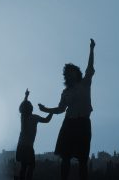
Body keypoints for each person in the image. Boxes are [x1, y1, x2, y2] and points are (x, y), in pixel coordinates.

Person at [38, 39, 95, 180]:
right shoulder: (65, 92)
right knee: (65, 157)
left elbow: (90, 67)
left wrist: (91, 49)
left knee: (82, 159)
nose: (69, 74)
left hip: (83, 123)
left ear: (76, 73)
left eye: (71, 72)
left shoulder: (85, 83)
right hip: (69, 124)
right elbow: (60, 109)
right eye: (67, 73)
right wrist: (46, 109)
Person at [15, 89, 53, 180]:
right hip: (27, 146)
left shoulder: (23, 117)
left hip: (22, 146)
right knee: (31, 166)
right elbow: (46, 120)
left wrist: (26, 96)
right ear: (31, 108)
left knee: (24, 166)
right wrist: (52, 112)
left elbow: (24, 104)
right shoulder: (34, 117)